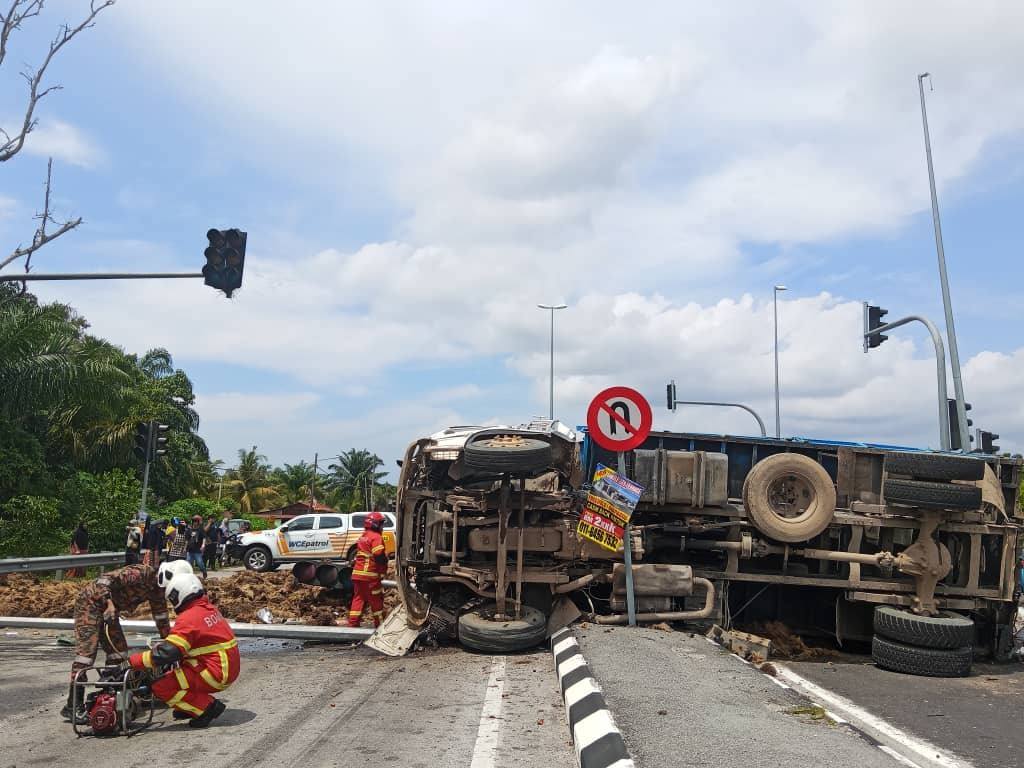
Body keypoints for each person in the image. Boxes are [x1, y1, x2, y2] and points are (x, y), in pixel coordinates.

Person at [62, 562, 173, 722]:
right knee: (86, 655)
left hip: (110, 612)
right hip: (90, 604)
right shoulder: (142, 573)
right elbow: (104, 581)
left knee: (119, 652)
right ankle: (73, 706)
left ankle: (111, 695)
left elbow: (161, 615)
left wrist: (170, 641)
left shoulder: (157, 590)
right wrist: (109, 602)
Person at [125, 570, 238, 728]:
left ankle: (206, 708)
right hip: (225, 667)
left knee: (161, 686)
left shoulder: (189, 617)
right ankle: (190, 706)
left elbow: (167, 652)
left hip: (214, 672)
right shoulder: (208, 608)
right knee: (178, 671)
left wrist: (131, 662)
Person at [347, 511, 388, 628]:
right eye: (381, 524)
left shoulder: (364, 536)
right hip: (369, 576)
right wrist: (384, 564)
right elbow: (378, 554)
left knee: (358, 599)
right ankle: (380, 627)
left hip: (357, 575)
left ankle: (352, 626)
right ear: (375, 524)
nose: (382, 527)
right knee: (376, 601)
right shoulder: (376, 537)